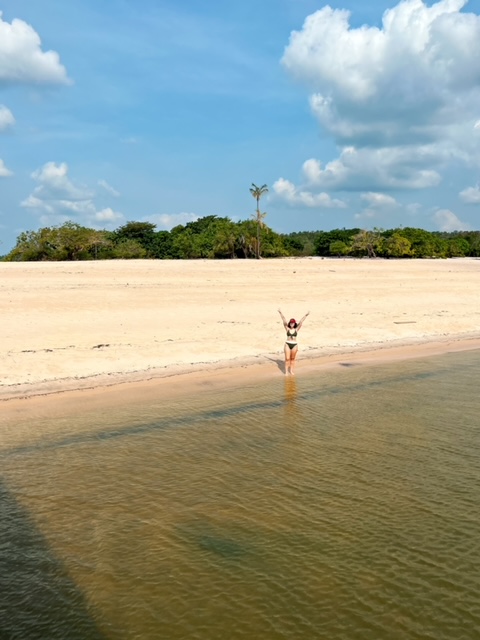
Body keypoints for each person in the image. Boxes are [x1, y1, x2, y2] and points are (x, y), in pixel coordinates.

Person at [278, 309, 310, 375]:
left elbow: (301, 322)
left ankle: (291, 371)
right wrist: (280, 313)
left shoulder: (296, 329)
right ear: (289, 323)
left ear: (294, 323)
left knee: (292, 359)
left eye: (293, 323)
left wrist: (306, 315)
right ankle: (286, 372)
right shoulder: (287, 329)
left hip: (294, 345)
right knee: (287, 358)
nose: (292, 324)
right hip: (287, 344)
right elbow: (284, 321)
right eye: (291, 322)